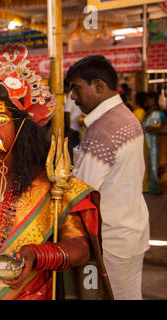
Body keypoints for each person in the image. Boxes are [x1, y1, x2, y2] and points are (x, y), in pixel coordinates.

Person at [0, 43, 113, 300]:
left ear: (22, 127)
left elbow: (82, 248)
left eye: (1, 120)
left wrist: (38, 255)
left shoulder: (50, 182)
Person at [67, 55, 150, 300]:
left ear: (99, 86)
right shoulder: (125, 115)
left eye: (76, 88)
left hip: (112, 237)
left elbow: (82, 190)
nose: (72, 96)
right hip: (132, 229)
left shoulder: (103, 128)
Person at [143, 92, 167, 194]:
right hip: (151, 144)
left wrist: (153, 129)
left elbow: (164, 129)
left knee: (155, 164)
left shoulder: (157, 114)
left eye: (149, 99)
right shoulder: (152, 112)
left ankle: (157, 187)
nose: (147, 102)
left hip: (156, 144)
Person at [64, 79, 83, 159]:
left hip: (73, 128)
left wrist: (67, 129)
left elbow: (67, 113)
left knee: (71, 152)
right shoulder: (78, 93)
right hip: (77, 128)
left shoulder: (71, 94)